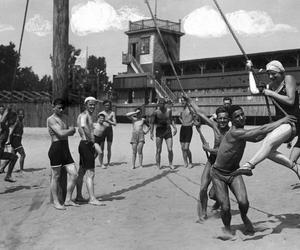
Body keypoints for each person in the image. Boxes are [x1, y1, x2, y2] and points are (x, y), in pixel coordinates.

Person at [210, 105, 295, 240]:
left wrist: (274, 133)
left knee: (244, 202)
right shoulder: (234, 133)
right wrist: (282, 121)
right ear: (232, 119)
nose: (241, 117)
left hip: (233, 172)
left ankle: (244, 217)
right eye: (237, 116)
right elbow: (259, 130)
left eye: (242, 114)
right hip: (218, 174)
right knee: (225, 207)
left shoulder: (241, 131)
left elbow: (256, 137)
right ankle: (227, 229)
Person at [233, 60, 300, 179]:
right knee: (267, 151)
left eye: (273, 73)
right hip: (281, 121)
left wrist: (270, 93)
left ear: (281, 72)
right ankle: (295, 167)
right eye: (268, 73)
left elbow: (290, 100)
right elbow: (254, 91)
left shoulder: (289, 79)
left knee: (268, 143)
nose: (270, 76)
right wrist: (250, 72)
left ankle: (249, 165)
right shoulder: (272, 86)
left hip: (293, 120)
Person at [196, 106, 230, 223]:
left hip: (223, 165)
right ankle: (204, 212)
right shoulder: (215, 126)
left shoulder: (231, 133)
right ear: (217, 119)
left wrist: (208, 149)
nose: (222, 121)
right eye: (220, 118)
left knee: (213, 195)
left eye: (225, 119)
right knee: (203, 187)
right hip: (211, 161)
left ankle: (217, 201)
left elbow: (223, 151)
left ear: (228, 119)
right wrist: (189, 101)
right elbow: (200, 113)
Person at [47, 98, 78, 210]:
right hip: (56, 149)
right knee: (56, 176)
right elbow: (60, 133)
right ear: (53, 106)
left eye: (62, 108)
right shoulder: (51, 119)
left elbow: (70, 131)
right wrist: (70, 130)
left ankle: (68, 199)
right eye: (58, 107)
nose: (60, 109)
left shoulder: (64, 118)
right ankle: (56, 202)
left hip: (66, 149)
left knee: (74, 174)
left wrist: (69, 131)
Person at [76, 96, 105, 206]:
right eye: (90, 104)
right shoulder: (84, 115)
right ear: (85, 105)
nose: (92, 106)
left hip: (84, 144)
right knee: (91, 173)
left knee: (82, 172)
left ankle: (79, 196)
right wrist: (93, 141)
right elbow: (84, 128)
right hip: (86, 144)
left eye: (94, 104)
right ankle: (92, 198)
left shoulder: (86, 115)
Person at [150, 98, 177, 169]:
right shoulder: (156, 112)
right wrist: (151, 133)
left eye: (163, 103)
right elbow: (152, 123)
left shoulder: (169, 111)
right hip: (159, 131)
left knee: (170, 149)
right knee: (158, 150)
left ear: (165, 104)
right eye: (160, 103)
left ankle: (170, 164)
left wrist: (175, 128)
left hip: (168, 130)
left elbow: (171, 120)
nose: (161, 104)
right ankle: (158, 164)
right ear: (158, 104)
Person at [0, 107, 18, 182]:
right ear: (10, 119)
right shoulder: (5, 127)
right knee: (14, 157)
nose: (15, 121)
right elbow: (2, 122)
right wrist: (6, 111)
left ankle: (8, 175)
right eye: (14, 119)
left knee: (14, 157)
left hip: (1, 151)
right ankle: (8, 176)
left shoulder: (6, 128)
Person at [98, 100, 116, 168]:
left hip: (109, 130)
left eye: (108, 105)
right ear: (103, 106)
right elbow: (98, 123)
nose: (107, 106)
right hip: (102, 130)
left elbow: (115, 123)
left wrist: (108, 120)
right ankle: (101, 163)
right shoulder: (100, 113)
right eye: (105, 105)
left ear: (110, 105)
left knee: (109, 148)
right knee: (101, 148)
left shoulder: (112, 113)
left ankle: (108, 162)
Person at [179, 98, 194, 168]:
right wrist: (182, 122)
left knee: (186, 148)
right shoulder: (181, 110)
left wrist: (192, 122)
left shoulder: (190, 109)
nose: (182, 102)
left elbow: (196, 116)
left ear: (186, 102)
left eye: (183, 101)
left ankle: (190, 162)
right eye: (181, 101)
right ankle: (185, 162)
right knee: (182, 147)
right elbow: (179, 117)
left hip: (189, 128)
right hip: (183, 128)